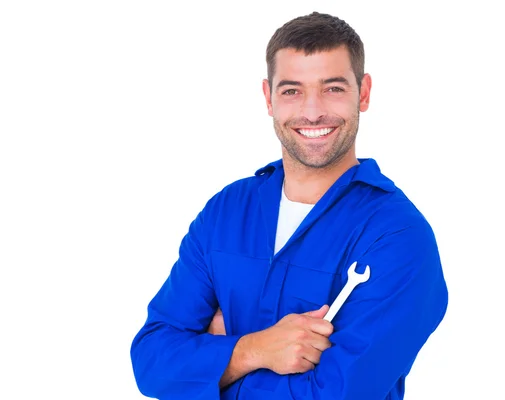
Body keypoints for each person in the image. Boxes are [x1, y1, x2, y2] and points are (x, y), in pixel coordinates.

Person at [130, 11, 448, 400]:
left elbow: (338, 395)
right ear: (268, 98)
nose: (312, 112)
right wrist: (254, 349)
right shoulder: (226, 211)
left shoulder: (397, 235)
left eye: (332, 88)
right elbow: (151, 363)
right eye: (292, 90)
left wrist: (213, 359)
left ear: (363, 93)